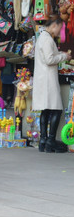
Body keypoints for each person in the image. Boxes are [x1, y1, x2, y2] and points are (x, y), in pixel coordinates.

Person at [33, 16, 71, 153]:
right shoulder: (47, 39)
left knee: (46, 108)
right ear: (54, 25)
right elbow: (49, 60)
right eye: (59, 29)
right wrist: (64, 57)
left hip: (43, 78)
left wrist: (59, 53)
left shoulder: (42, 38)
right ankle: (50, 140)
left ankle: (43, 141)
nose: (58, 32)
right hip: (48, 79)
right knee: (56, 109)